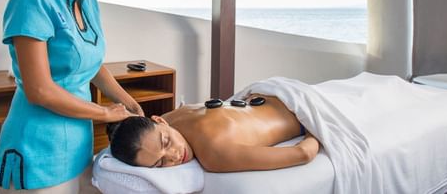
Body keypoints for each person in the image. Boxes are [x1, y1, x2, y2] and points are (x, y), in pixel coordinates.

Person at [0, 0, 144, 193]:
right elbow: (40, 91)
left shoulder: (88, 1)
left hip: (77, 140)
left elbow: (91, 64)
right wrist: (104, 113)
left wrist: (129, 104)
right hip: (38, 143)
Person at [107, 93, 320, 173]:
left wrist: (317, 129)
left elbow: (303, 154)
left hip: (303, 109)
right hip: (274, 92)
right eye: (160, 164)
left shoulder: (214, 154)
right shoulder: (172, 116)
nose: (173, 156)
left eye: (166, 142)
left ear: (159, 120)